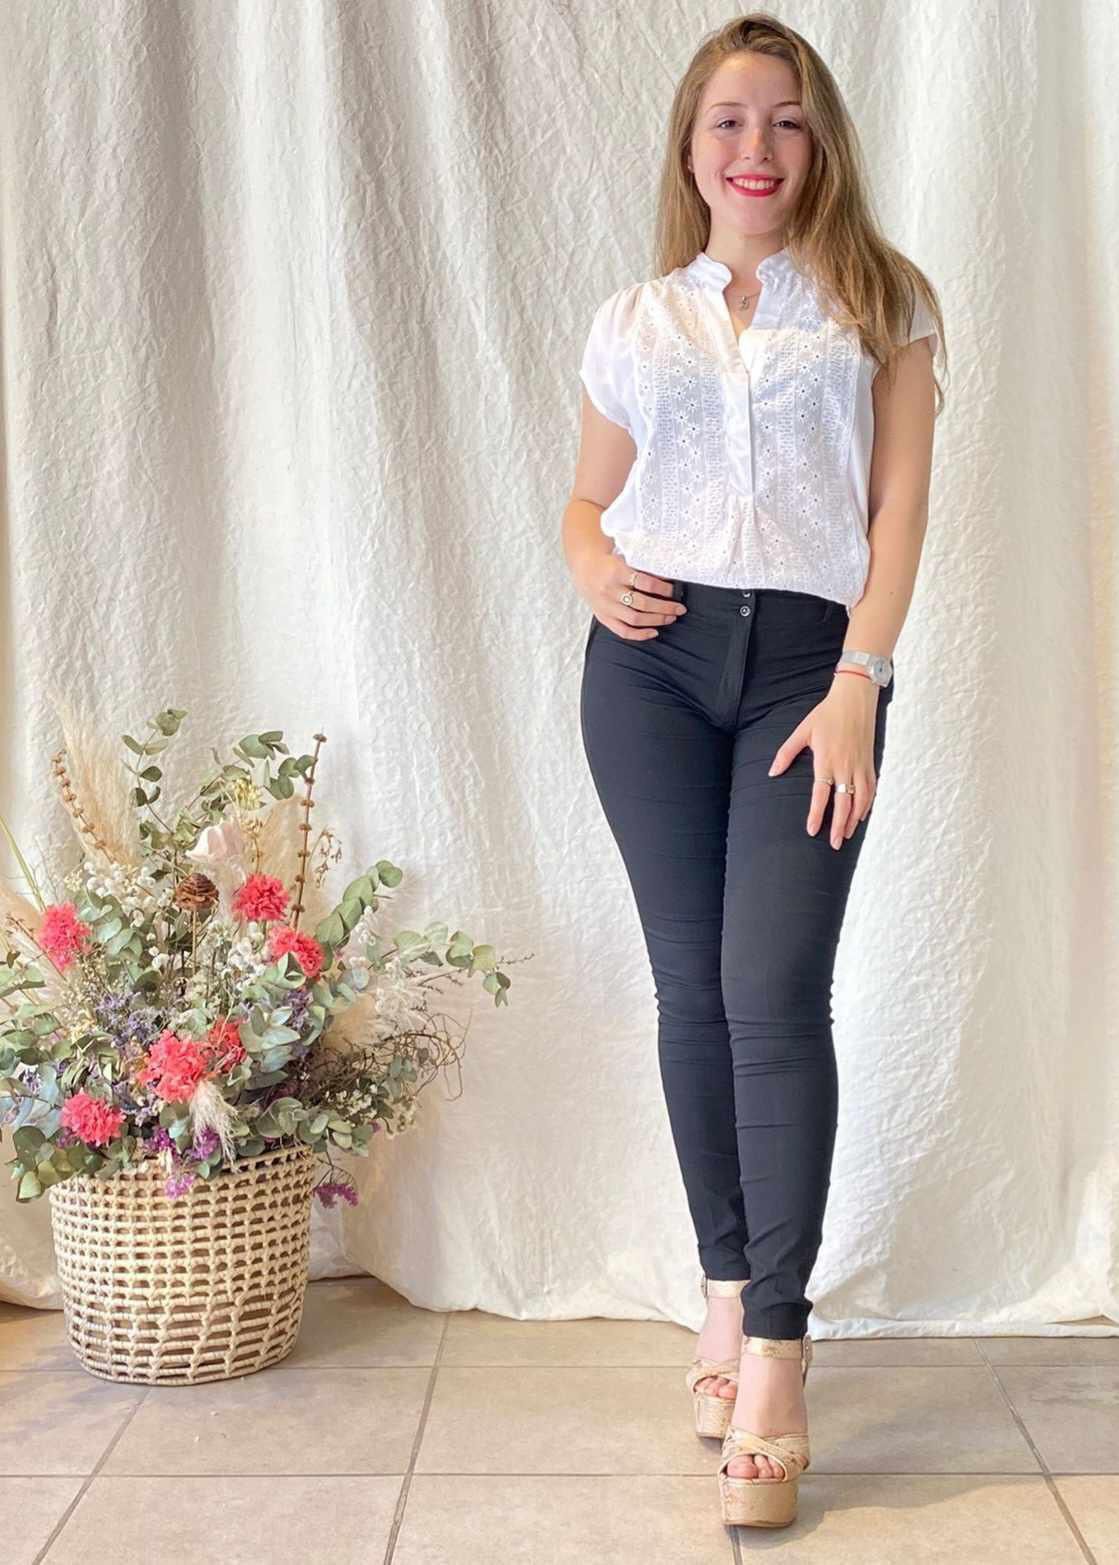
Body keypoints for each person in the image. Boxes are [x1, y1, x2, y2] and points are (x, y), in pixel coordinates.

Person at [563, 12, 944, 1531]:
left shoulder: (881, 304)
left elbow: (898, 513)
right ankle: (723, 1287)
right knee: (690, 992)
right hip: (646, 671)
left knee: (774, 992)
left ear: (820, 140)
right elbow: (587, 501)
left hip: (808, 672)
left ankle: (777, 1353)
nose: (756, 148)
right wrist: (591, 565)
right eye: (728, 120)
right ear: (689, 145)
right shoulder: (634, 319)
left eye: (784, 120)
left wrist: (860, 681)